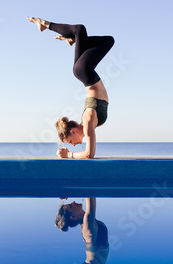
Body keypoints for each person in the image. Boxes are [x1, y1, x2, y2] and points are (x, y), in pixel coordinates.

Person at [27, 17, 114, 159]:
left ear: (73, 132)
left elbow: (89, 154)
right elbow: (89, 154)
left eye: (70, 142)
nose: (72, 145)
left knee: (81, 30)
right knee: (102, 39)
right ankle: (73, 41)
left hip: (84, 71)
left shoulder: (87, 120)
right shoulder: (88, 123)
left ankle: (45, 24)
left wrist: (69, 155)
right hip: (83, 72)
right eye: (70, 145)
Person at [55, 198, 109, 264]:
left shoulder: (86, 224)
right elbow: (91, 197)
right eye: (70, 205)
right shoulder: (88, 224)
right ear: (73, 216)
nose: (73, 202)